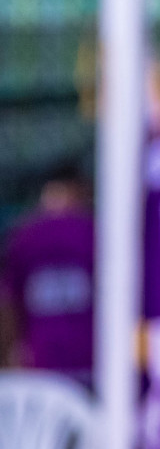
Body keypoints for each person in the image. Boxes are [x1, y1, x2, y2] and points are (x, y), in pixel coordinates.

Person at [0, 165, 95, 389]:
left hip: (39, 363)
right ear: (79, 189)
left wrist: (6, 360)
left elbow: (8, 306)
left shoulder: (22, 235)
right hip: (91, 361)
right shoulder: (94, 231)